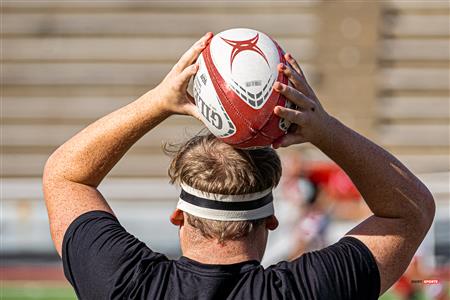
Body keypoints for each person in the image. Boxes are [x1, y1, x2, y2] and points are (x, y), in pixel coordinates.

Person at [42, 32, 435, 300]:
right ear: (271, 221)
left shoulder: (127, 284)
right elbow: (411, 211)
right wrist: (324, 128)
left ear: (179, 217)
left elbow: (65, 175)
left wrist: (158, 101)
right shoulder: (309, 290)